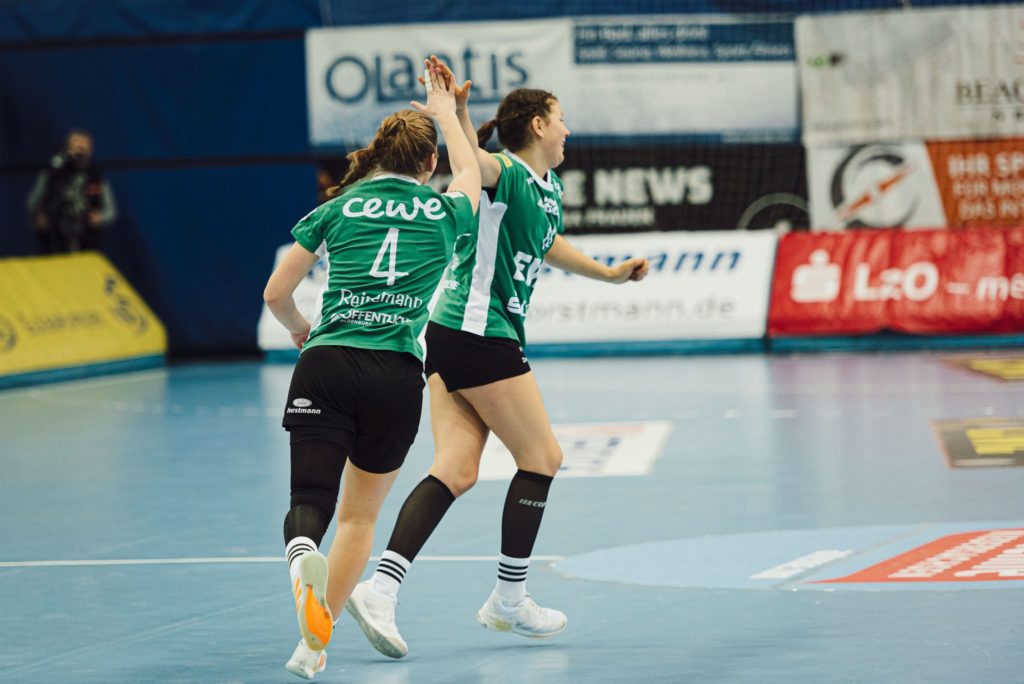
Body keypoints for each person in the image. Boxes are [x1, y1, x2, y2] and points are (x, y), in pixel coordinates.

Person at [346, 57, 650, 659]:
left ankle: (379, 589)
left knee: (456, 470)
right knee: (542, 457)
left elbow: (547, 242)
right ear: (538, 124)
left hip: (455, 333)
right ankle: (509, 598)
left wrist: (609, 275)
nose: (567, 130)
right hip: (478, 332)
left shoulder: (545, 187)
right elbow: (470, 165)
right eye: (561, 119)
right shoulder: (503, 171)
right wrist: (447, 113)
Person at [262, 61, 480, 680]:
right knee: (359, 518)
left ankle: (301, 557)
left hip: (327, 362)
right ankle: (312, 647)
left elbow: (275, 292)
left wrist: (301, 331)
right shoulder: (446, 213)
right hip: (395, 375)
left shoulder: (339, 206)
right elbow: (470, 171)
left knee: (310, 500)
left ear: (378, 154)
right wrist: (446, 111)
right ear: (429, 164)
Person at [26, 129, 117, 254]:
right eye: (76, 146)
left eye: (84, 148)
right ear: (67, 148)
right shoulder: (53, 172)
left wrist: (100, 217)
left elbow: (111, 210)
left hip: (86, 238)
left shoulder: (96, 176)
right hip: (54, 237)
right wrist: (38, 214)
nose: (80, 152)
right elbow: (33, 201)